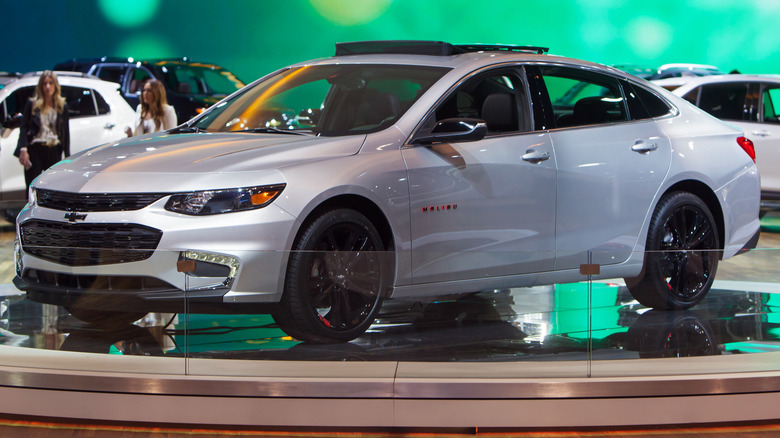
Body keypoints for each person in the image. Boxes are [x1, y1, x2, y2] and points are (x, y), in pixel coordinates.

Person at [14, 70, 70, 188]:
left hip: (54, 148)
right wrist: (23, 149)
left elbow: (65, 132)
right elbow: (23, 127)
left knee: (54, 185)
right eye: (44, 84)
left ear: (55, 85)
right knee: (33, 185)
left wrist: (68, 156)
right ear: (40, 86)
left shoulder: (62, 105)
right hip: (36, 148)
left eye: (50, 83)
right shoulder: (33, 104)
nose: (47, 86)